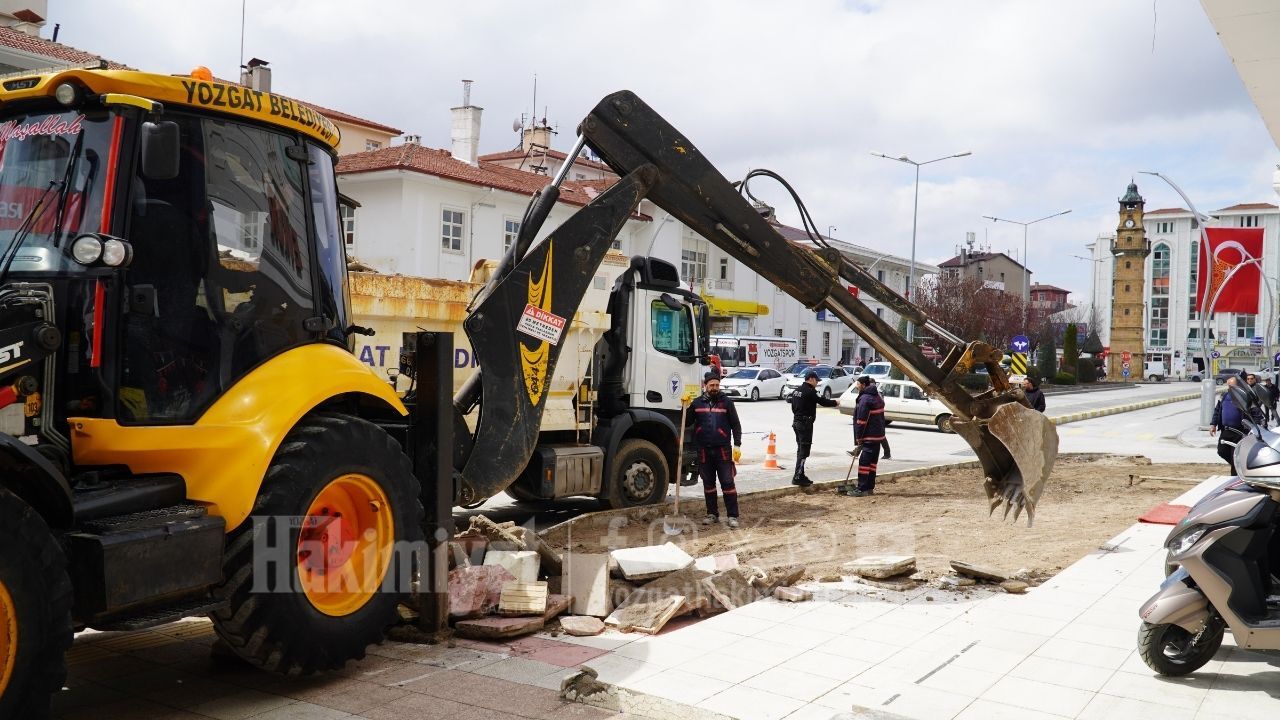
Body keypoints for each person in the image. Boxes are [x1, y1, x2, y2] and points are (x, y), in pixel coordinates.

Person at [688, 372, 743, 528]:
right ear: (705, 386)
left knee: (727, 482)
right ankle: (712, 514)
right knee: (708, 483)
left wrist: (737, 444)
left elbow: (736, 425)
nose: (715, 388)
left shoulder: (727, 403)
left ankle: (732, 516)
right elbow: (687, 422)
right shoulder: (697, 403)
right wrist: (685, 407)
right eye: (712, 385)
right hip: (704, 450)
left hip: (723, 449)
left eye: (717, 385)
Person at [788, 370, 838, 487]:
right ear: (811, 379)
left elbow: (793, 407)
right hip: (805, 424)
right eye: (816, 380)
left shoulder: (796, 391)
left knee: (800, 450)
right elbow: (823, 401)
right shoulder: (810, 391)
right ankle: (797, 476)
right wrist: (835, 402)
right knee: (804, 451)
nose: (817, 383)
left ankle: (801, 474)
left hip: (797, 422)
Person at [845, 376, 885, 497]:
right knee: (872, 463)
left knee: (864, 463)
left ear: (863, 384)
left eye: (857, 384)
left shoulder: (865, 399)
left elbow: (861, 420)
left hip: (869, 436)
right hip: (878, 435)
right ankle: (869, 487)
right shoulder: (877, 396)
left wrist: (859, 438)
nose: (856, 386)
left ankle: (862, 489)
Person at [1210, 376, 1246, 475]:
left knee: (1235, 456)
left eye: (1231, 385)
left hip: (1239, 432)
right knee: (1221, 451)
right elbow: (1217, 410)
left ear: (1237, 385)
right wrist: (1213, 424)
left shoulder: (1243, 396)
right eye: (1228, 384)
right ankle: (1240, 468)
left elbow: (1252, 412)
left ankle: (1235, 476)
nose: (1229, 386)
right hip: (1225, 431)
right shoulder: (1224, 396)